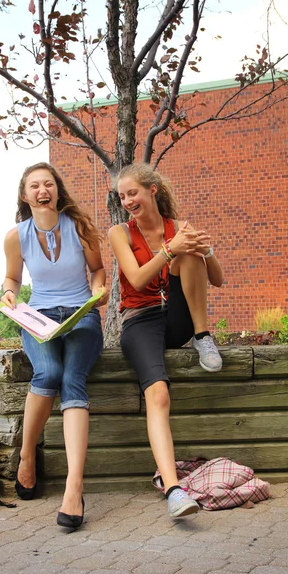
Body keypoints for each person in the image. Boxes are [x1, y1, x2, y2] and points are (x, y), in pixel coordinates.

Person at [108, 163, 224, 519]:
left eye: (133, 193)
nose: (127, 200)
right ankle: (174, 489)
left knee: (190, 253)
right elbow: (138, 279)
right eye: (122, 196)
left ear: (152, 190)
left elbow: (217, 279)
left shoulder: (180, 229)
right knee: (158, 392)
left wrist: (204, 250)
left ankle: (203, 337)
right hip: (140, 321)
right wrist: (170, 250)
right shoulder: (119, 233)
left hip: (177, 319)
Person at [1, 162, 108, 529]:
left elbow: (97, 271)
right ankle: (28, 454)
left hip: (81, 316)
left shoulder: (80, 227)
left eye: (48, 184)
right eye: (34, 185)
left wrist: (96, 292)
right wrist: (9, 294)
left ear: (57, 191)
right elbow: (12, 277)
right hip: (39, 318)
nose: (42, 190)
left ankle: (73, 488)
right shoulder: (16, 236)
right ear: (25, 194)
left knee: (72, 380)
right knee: (48, 372)